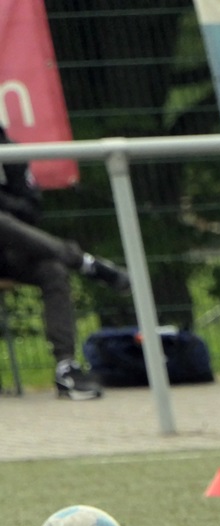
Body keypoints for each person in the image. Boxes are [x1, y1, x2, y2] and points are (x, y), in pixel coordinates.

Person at [0, 125, 130, 400]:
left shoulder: (9, 151)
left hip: (9, 251)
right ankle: (84, 262)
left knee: (53, 270)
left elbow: (31, 210)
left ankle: (66, 368)